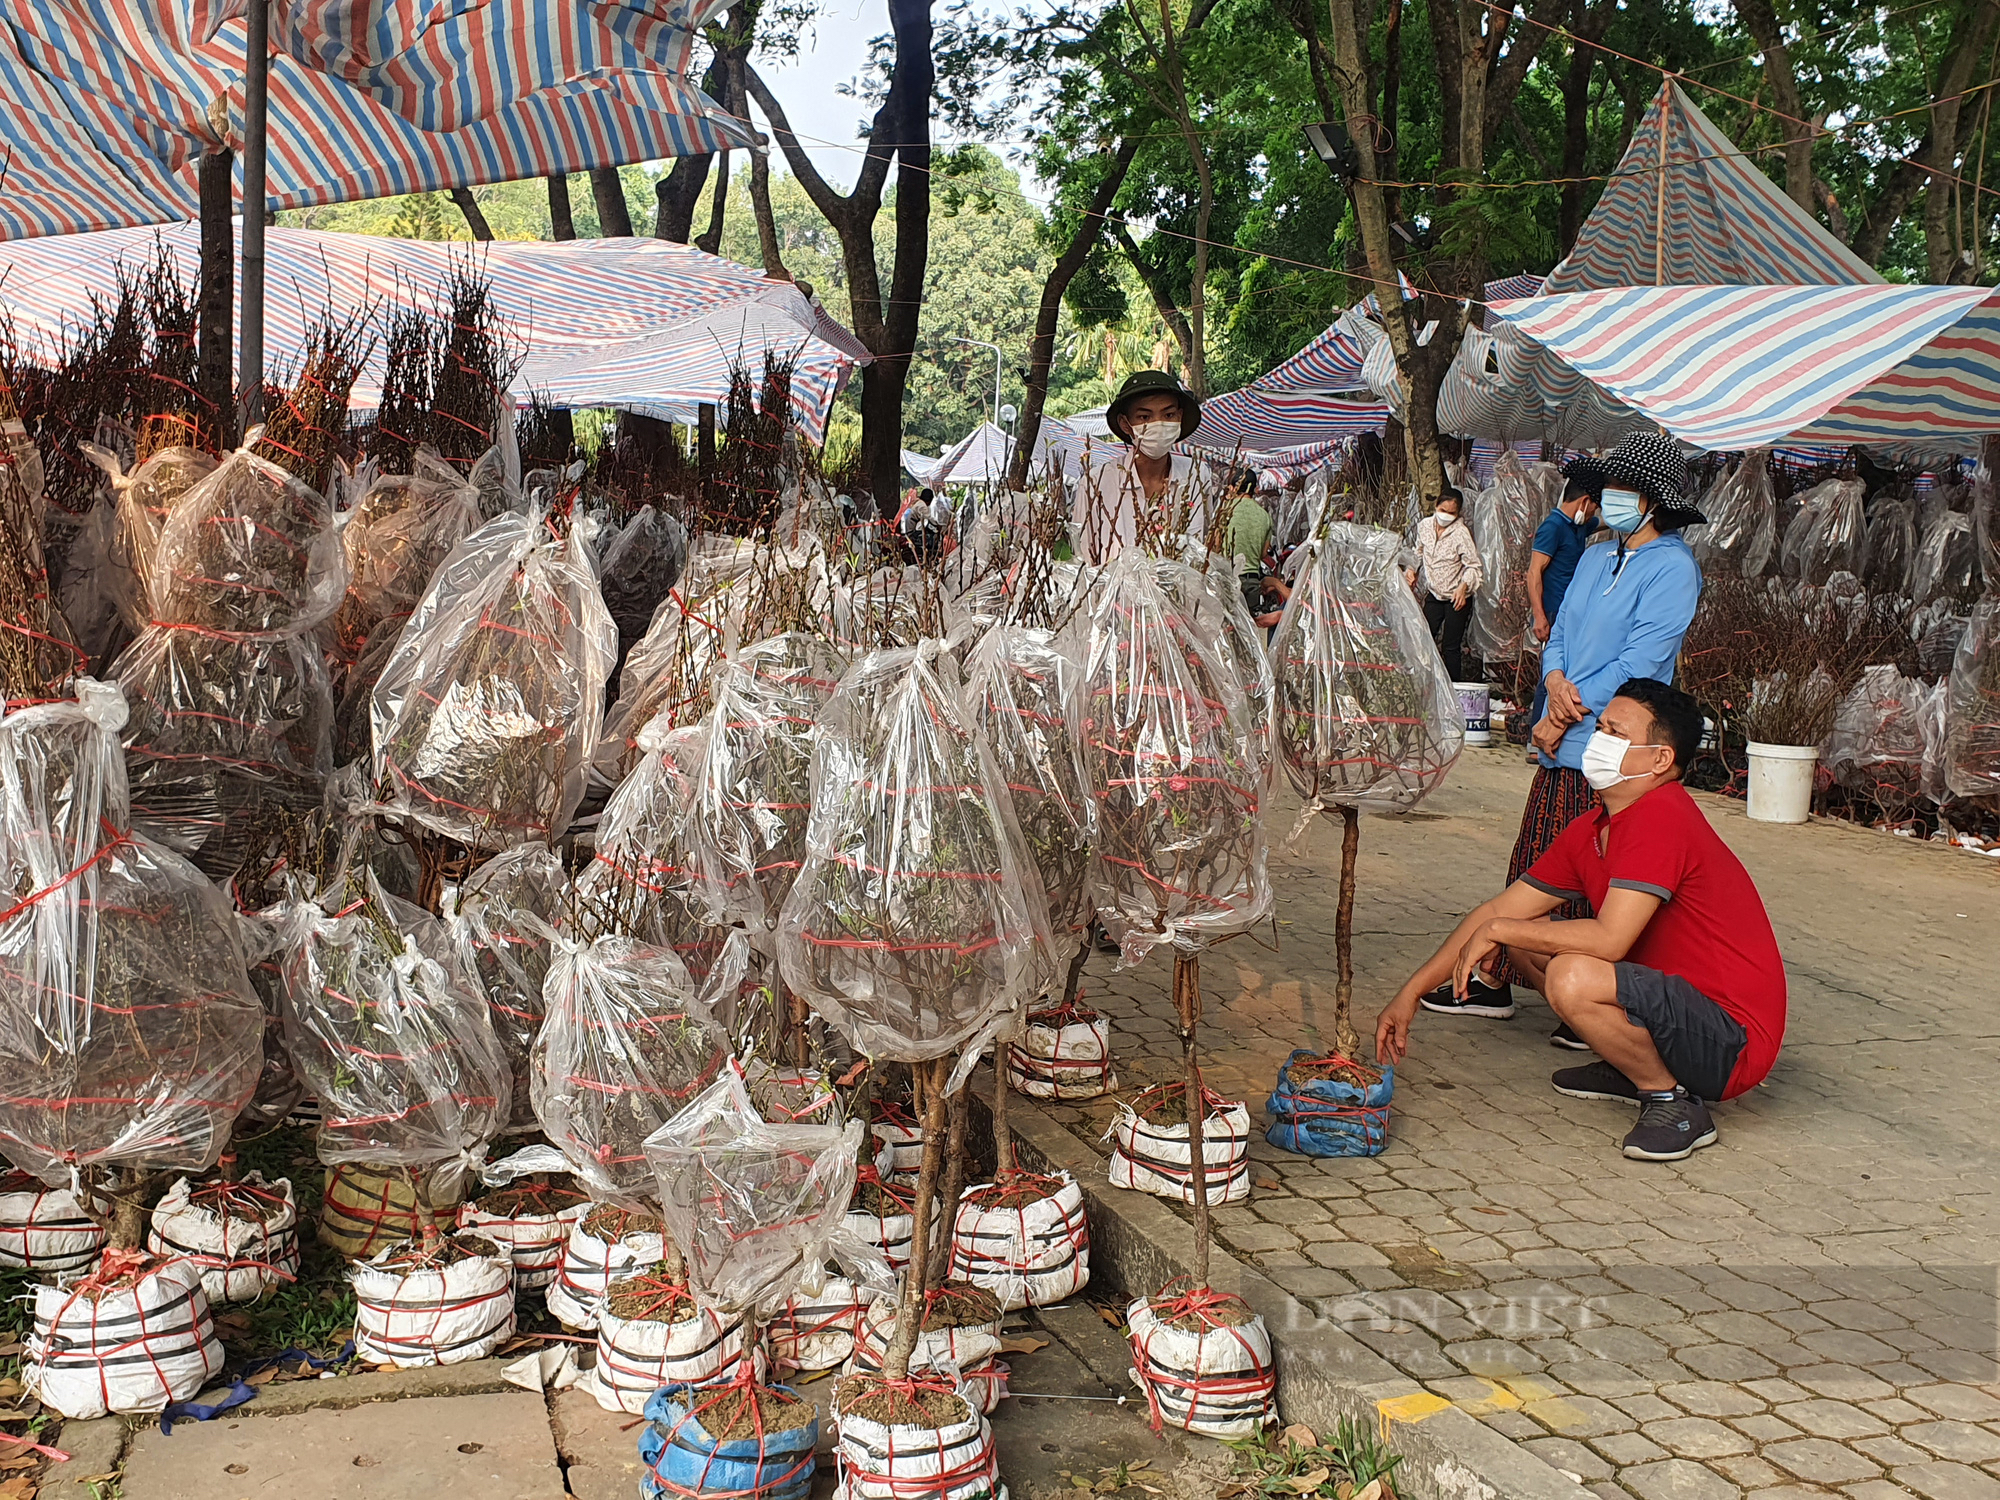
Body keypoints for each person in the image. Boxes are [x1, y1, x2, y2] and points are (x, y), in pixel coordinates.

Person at [1375, 679, 1786, 1162]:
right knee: (1525, 939)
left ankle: (1670, 1100)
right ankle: (1630, 1063)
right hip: (1675, 1009)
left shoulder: (1663, 816)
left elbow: (1610, 941)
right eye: (1601, 726)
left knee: (1571, 973)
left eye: (1616, 732)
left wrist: (1499, 930)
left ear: (1660, 760)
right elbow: (1493, 914)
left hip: (1732, 1041)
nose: (1599, 739)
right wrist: (1409, 997)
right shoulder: (1592, 830)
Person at [1429, 431, 1707, 1030]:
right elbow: (1557, 632)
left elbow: (1641, 664)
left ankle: (1585, 1000)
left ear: (1652, 500)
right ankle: (1497, 973)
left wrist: (1562, 712)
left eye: (1622, 487)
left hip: (1606, 740)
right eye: (1607, 485)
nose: (1607, 496)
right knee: (1538, 861)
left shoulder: (1673, 567)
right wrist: (1552, 682)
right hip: (1561, 732)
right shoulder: (1598, 554)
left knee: (1594, 878)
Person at [1072, 370, 1216, 562]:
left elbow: (1205, 549)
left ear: (1179, 417)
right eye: (1144, 417)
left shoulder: (1196, 475)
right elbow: (1084, 559)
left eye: (1169, 414)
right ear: (1125, 424)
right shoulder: (1096, 484)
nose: (1158, 424)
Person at [1525, 458, 1606, 736]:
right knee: (1550, 676)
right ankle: (1536, 734)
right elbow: (1534, 572)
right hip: (1552, 613)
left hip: (1571, 613)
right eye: (1595, 503)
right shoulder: (1553, 527)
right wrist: (1539, 616)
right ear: (1584, 502)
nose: (1596, 510)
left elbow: (1604, 523)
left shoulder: (1578, 526)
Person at [1411, 485, 1482, 682]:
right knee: (1425, 638)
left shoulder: (1461, 533)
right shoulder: (1424, 526)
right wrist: (1411, 570)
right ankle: (1425, 681)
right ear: (1436, 506)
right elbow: (1418, 551)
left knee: (1451, 646)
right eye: (1443, 511)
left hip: (1457, 597)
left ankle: (1454, 687)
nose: (1446, 516)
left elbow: (1473, 567)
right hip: (1434, 592)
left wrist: (1463, 586)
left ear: (1458, 513)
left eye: (1451, 513)